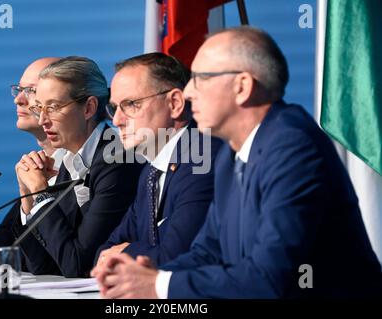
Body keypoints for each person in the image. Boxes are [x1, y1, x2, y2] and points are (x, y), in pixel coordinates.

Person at [92, 26, 382, 298]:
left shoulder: (292, 146)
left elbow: (270, 278)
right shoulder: (232, 154)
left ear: (242, 86)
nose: (189, 92)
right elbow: (207, 252)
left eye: (201, 78)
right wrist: (143, 276)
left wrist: (158, 284)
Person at [13, 56, 144, 277]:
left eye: (53, 107)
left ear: (89, 108)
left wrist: (41, 193)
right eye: (39, 109)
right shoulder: (69, 161)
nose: (43, 120)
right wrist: (28, 195)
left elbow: (78, 265)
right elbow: (42, 267)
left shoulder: (117, 160)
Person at [94, 53, 222, 268]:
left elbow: (176, 259)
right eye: (115, 108)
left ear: (175, 103)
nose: (117, 120)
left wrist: (124, 252)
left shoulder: (202, 159)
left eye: (131, 104)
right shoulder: (150, 171)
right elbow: (104, 251)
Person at [0, 57, 63, 272]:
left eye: (30, 90)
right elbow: (3, 247)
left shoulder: (98, 163)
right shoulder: (35, 165)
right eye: (19, 89)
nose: (18, 100)